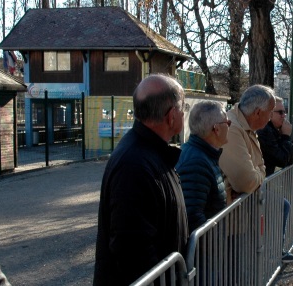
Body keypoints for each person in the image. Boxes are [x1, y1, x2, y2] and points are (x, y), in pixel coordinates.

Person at [94, 74, 189, 285]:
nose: (184, 114)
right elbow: (132, 251)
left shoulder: (149, 153)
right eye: (183, 108)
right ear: (171, 115)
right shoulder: (134, 164)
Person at [256, 96, 293, 263]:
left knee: (282, 205)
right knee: (282, 206)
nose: (284, 116)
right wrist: (286, 137)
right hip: (255, 187)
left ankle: (275, 249)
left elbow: (288, 159)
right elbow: (282, 159)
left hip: (263, 183)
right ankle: (276, 251)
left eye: (285, 112)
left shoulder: (273, 130)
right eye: (280, 112)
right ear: (269, 113)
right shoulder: (265, 132)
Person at [176, 100, 228, 232]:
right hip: (205, 249)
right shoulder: (196, 162)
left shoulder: (204, 154)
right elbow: (192, 217)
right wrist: (214, 244)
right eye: (228, 123)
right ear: (216, 129)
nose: (229, 127)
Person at [219, 84, 275, 202]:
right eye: (271, 112)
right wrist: (257, 175)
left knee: (283, 206)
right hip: (230, 213)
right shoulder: (232, 128)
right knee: (282, 206)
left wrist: (256, 174)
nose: (271, 117)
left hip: (242, 207)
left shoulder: (245, 126)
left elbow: (261, 167)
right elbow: (246, 183)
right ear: (258, 113)